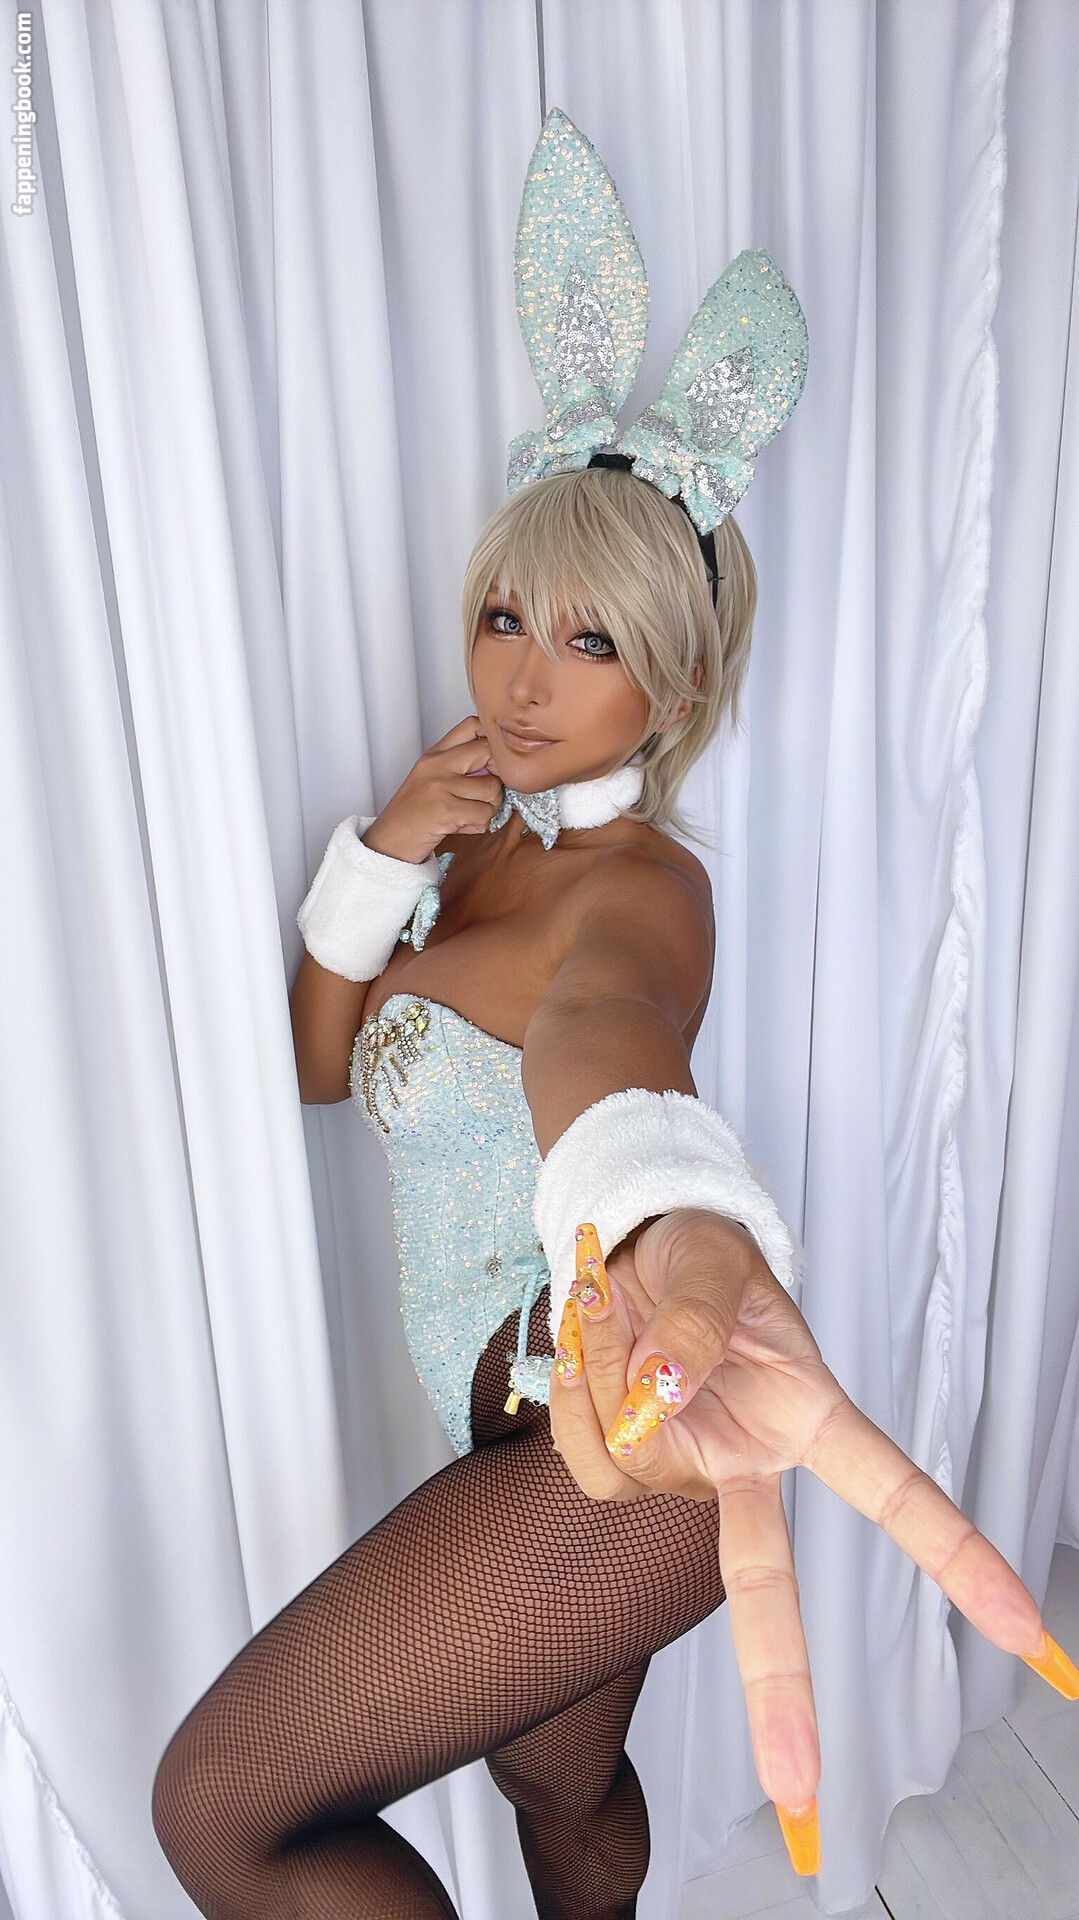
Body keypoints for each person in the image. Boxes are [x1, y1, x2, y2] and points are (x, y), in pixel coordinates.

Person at [150, 114, 1078, 1920]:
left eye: (591, 641)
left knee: (221, 1812)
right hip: (525, 1432)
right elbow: (320, 1064)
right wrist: (382, 855)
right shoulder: (467, 853)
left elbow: (609, 1048)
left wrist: (675, 1219)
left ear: (678, 673)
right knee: (558, 1787)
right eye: (507, 615)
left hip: (624, 1416)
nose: (521, 676)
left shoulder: (644, 889)